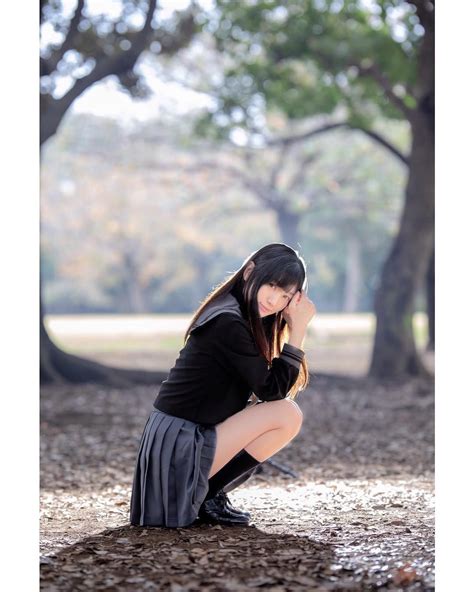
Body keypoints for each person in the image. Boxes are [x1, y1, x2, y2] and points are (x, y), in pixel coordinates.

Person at [130, 243, 316, 528]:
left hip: (186, 438)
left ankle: (208, 495)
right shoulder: (228, 323)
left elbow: (272, 388)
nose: (274, 300)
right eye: (272, 285)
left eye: (285, 296)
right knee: (285, 414)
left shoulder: (239, 315)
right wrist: (299, 330)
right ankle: (206, 495)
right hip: (178, 444)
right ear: (250, 271)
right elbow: (271, 391)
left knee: (287, 415)